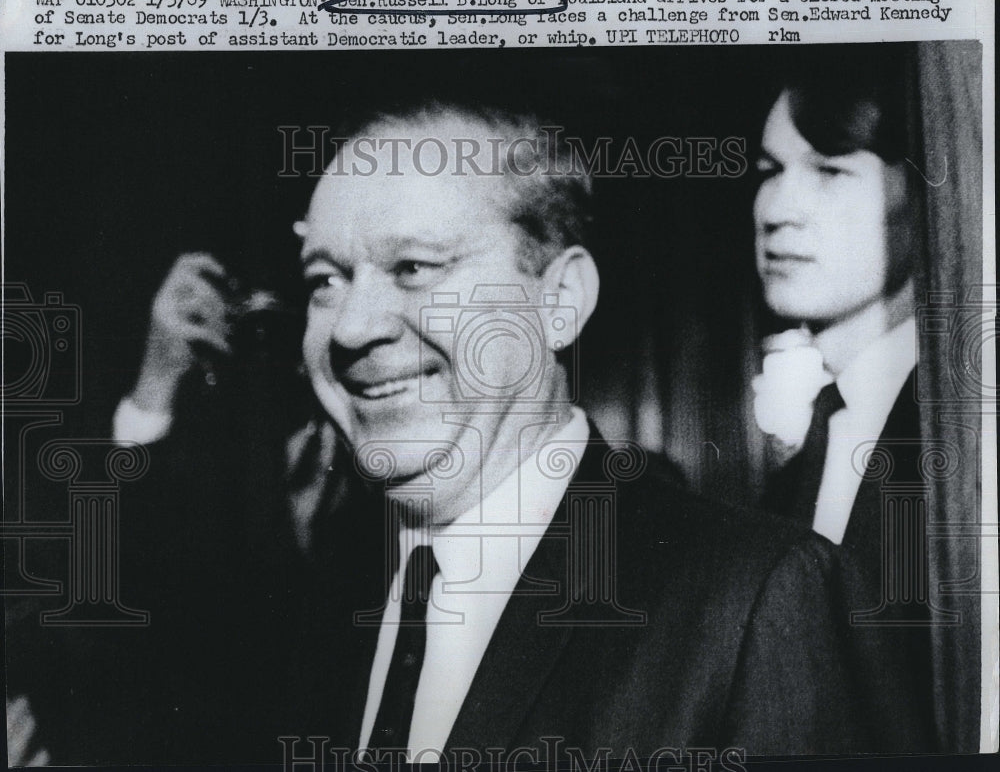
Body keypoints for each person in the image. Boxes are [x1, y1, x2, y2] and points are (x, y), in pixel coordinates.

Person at [23, 103, 855, 765]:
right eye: (325, 280)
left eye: (414, 267)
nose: (350, 328)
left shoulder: (748, 600)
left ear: (558, 300)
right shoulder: (316, 610)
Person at [751, 61, 938, 752]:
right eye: (769, 169)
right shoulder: (801, 463)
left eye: (830, 170)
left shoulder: (963, 436)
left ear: (923, 194)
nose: (776, 208)